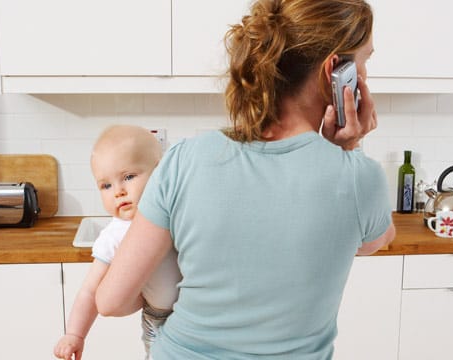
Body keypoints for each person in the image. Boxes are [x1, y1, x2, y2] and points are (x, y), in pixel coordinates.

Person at [96, 0, 396, 358]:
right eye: (364, 62)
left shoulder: (184, 159)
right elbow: (368, 241)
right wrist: (348, 149)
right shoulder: (361, 179)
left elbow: (110, 301)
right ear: (336, 69)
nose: (365, 75)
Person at [53, 125, 182, 360]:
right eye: (106, 185)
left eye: (129, 177)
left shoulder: (177, 211)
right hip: (159, 319)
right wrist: (75, 335)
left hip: (194, 314)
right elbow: (90, 289)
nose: (118, 192)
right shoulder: (114, 234)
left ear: (159, 171)